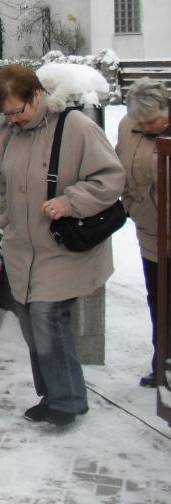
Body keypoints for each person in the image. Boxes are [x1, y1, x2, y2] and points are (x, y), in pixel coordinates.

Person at [0, 65, 125, 427]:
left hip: (60, 248)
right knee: (29, 321)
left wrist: (69, 202)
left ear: (37, 95)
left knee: (47, 318)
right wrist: (7, 220)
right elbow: (2, 185)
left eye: (18, 111)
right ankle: (51, 394)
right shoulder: (4, 137)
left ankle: (68, 401)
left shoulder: (75, 127)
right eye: (6, 114)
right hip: (22, 249)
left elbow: (111, 178)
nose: (13, 119)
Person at [116, 78, 170, 389]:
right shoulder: (128, 126)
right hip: (151, 232)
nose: (146, 127)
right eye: (141, 122)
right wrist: (130, 205)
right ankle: (162, 363)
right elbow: (118, 167)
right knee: (159, 300)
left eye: (152, 121)